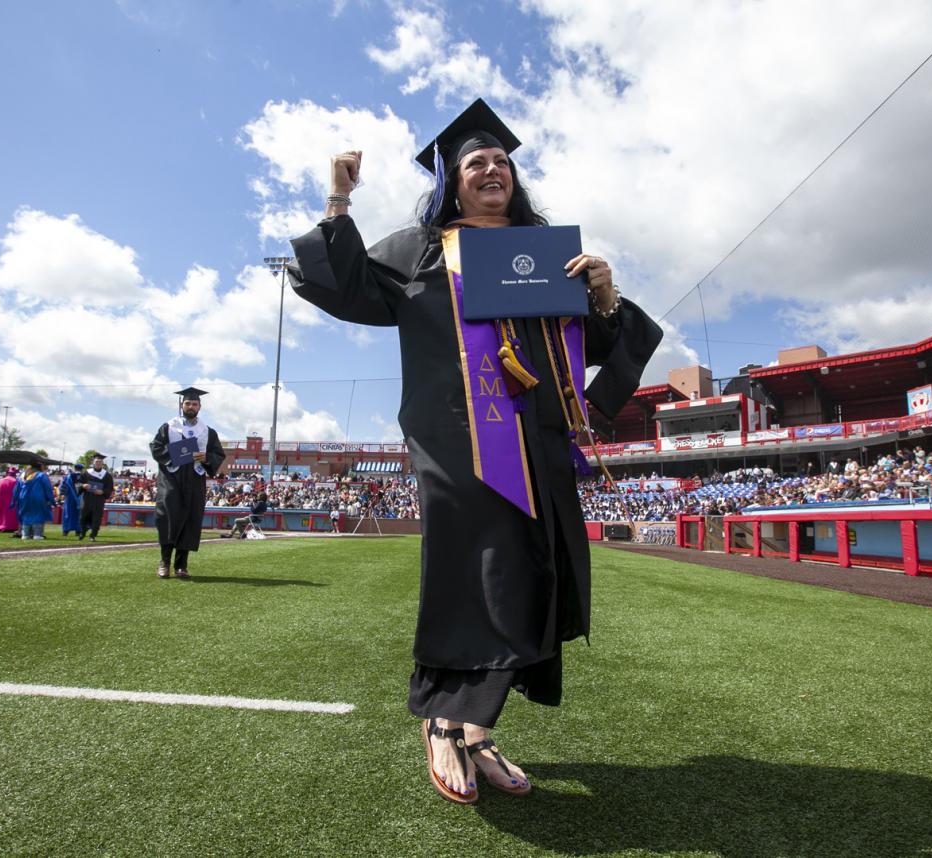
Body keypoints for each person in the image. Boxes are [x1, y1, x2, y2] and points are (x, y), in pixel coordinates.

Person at [287, 98, 661, 804]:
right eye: (475, 162)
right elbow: (340, 285)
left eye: (502, 162)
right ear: (451, 182)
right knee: (474, 569)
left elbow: (595, 350)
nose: (492, 169)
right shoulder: (422, 249)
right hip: (458, 442)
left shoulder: (549, 255)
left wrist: (605, 301)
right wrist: (339, 198)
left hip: (538, 442)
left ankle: (475, 726)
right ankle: (443, 720)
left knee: (528, 570)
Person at [149, 386, 226, 579]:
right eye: (188, 403)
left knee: (190, 521)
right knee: (168, 518)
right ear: (181, 405)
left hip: (194, 479)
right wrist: (181, 454)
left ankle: (181, 565)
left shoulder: (207, 432)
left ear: (200, 406)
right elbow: (156, 448)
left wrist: (206, 457)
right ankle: (164, 562)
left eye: (194, 404)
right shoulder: (169, 427)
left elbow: (218, 454)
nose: (191, 406)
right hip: (171, 479)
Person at [15, 457, 55, 540]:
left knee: (26, 514)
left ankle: (25, 535)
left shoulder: (22, 475)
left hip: (23, 498)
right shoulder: (41, 475)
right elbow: (47, 488)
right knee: (38, 514)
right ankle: (37, 534)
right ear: (40, 466)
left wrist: (15, 499)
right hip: (37, 497)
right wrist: (51, 499)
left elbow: (16, 489)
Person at [78, 454, 113, 541]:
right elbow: (78, 483)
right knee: (83, 516)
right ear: (93, 463)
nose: (98, 463)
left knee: (96, 517)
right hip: (87, 498)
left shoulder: (107, 475)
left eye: (100, 462)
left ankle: (93, 535)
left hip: (99, 499)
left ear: (103, 464)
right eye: (96, 462)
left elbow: (109, 488)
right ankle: (82, 532)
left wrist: (103, 492)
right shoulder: (86, 473)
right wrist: (83, 485)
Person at [0, 468, 20, 533]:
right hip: (11, 500)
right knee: (9, 513)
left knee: (0, 512)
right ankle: (9, 527)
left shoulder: (1, 480)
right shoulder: (15, 481)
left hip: (1, 500)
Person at [60, 463, 83, 537]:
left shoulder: (68, 477)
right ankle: (78, 531)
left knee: (68, 513)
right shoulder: (84, 477)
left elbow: (63, 487)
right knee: (79, 514)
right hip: (80, 498)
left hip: (70, 498)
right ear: (81, 469)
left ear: (74, 468)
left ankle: (65, 530)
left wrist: (63, 494)